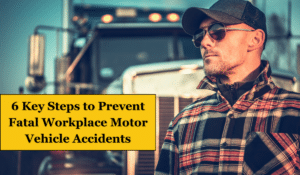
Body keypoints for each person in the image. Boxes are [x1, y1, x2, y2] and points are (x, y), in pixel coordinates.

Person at [155, 0, 300, 174]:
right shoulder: (183, 122)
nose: (204, 42)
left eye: (217, 30)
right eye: (200, 35)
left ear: (255, 39)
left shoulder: (295, 112)